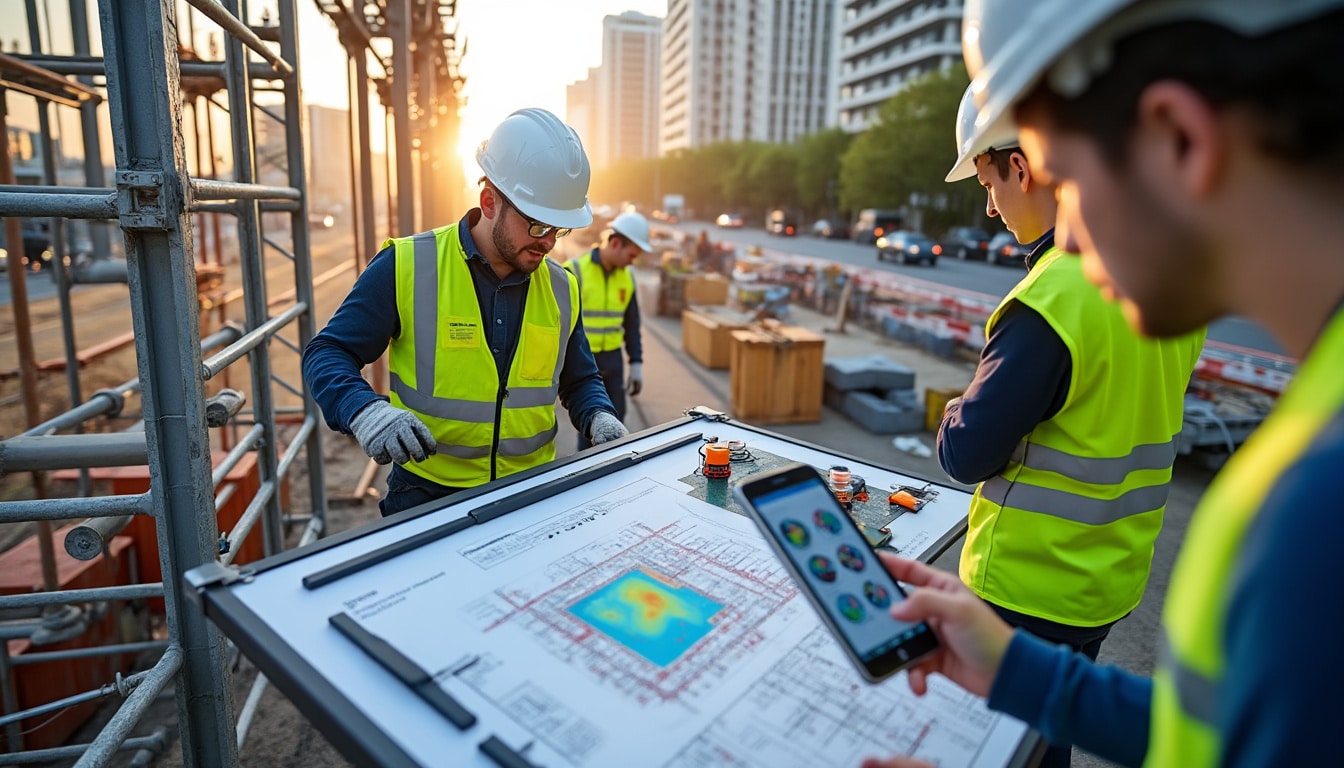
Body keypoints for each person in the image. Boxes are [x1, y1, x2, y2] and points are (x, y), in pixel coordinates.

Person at [868, 1, 1344, 766]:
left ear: (1178, 139)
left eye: (1069, 178)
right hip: (1099, 589)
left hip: (1036, 588)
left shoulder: (1313, 514)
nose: (1074, 236)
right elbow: (1224, 739)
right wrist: (1028, 677)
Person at [937, 82, 1205, 768]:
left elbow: (966, 453)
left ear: (1020, 167)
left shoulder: (1053, 298)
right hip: (1109, 581)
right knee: (1045, 736)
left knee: (1002, 750)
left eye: (988, 182)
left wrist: (951, 413)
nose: (990, 205)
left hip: (1025, 591)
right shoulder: (1166, 280)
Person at [302, 108, 628, 517]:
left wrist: (599, 415)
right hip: (427, 494)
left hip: (530, 492)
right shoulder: (407, 265)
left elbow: (579, 379)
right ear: (490, 201)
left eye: (558, 230)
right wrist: (364, 409)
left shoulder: (562, 287)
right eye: (537, 226)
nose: (548, 244)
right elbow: (327, 353)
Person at [564, 211, 650, 449]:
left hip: (613, 360)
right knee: (590, 426)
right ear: (614, 244)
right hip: (582, 361)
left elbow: (631, 323)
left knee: (616, 423)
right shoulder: (574, 271)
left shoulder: (628, 277)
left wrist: (636, 363)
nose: (633, 261)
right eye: (631, 255)